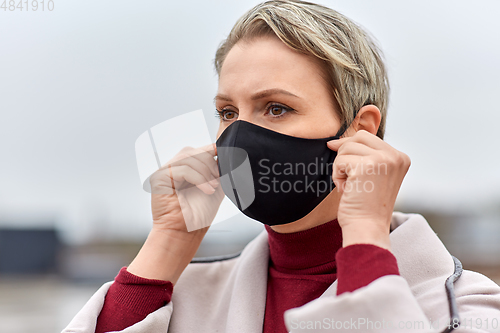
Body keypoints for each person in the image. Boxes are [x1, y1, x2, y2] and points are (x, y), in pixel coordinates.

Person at [63, 1, 500, 332]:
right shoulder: (180, 298)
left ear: (359, 131)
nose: (239, 137)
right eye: (228, 112)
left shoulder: (466, 309)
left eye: (275, 108)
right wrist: (170, 239)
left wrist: (365, 233)